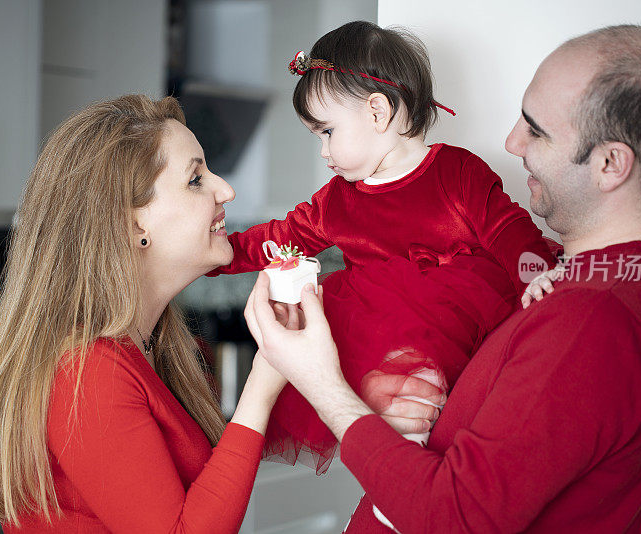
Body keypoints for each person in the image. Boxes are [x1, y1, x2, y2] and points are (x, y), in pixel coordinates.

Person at [245, 24, 641, 533]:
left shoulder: (592, 320)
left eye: (536, 130)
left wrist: (323, 385)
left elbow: (452, 517)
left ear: (611, 163)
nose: (510, 142)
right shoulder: (612, 282)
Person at [0, 95, 430, 533]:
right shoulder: (88, 371)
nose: (225, 191)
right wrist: (264, 377)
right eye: (196, 178)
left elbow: (217, 475)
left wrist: (361, 397)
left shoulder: (153, 345)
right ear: (132, 222)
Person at [210, 21, 556, 487]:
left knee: (437, 388)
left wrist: (535, 275)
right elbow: (281, 237)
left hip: (465, 314)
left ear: (378, 112)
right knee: (372, 372)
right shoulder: (337, 199)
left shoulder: (456, 170)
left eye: (327, 132)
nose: (324, 150)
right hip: (383, 338)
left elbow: (508, 229)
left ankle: (413, 468)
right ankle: (402, 469)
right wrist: (217, 253)